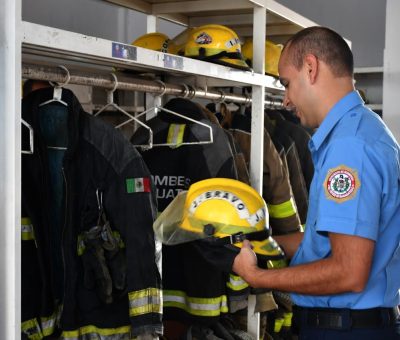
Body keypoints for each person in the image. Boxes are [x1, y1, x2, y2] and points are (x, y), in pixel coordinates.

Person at [232, 26, 400, 339]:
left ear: (311, 68)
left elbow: (349, 273)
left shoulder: (349, 148)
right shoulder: (361, 131)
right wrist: (266, 245)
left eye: (287, 84)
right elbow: (323, 241)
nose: (285, 101)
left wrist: (257, 276)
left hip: (344, 329)